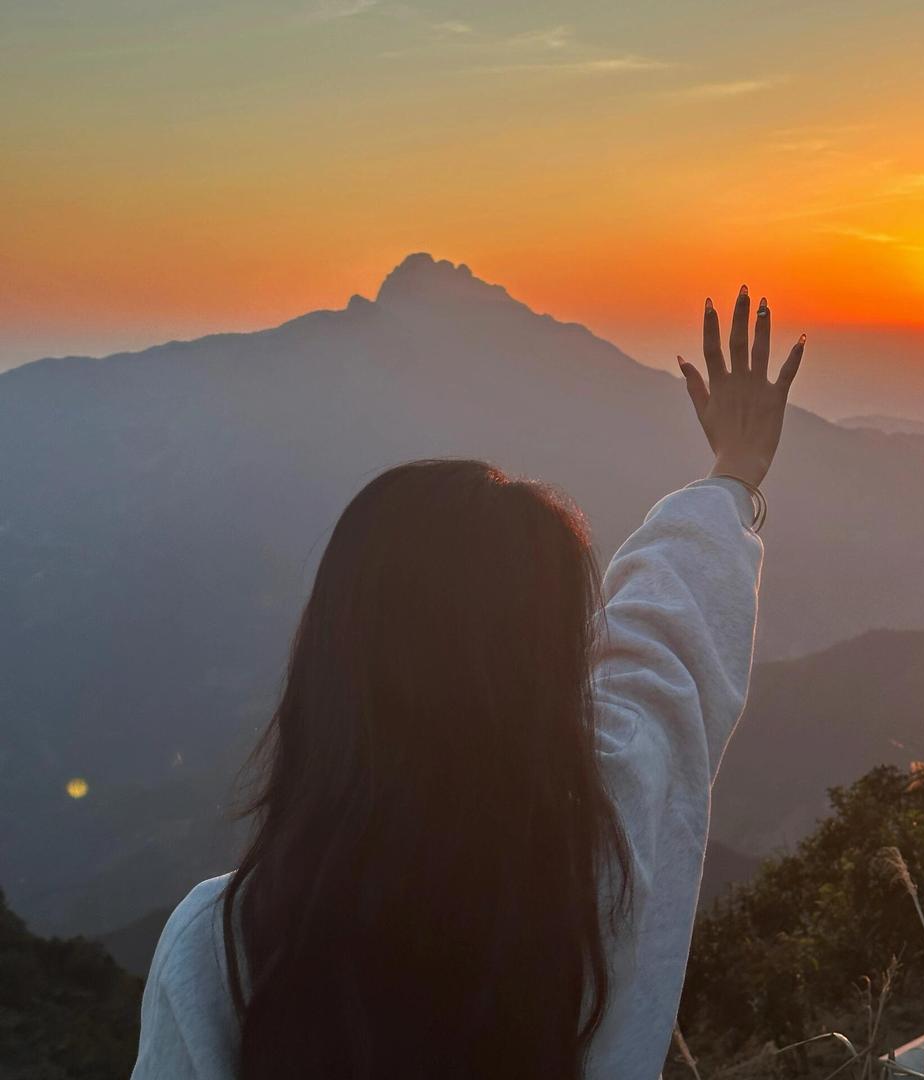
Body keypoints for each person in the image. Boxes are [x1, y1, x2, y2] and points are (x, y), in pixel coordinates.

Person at [130, 287, 805, 1080]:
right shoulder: (605, 857)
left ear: (334, 657)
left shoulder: (225, 950)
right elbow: (668, 647)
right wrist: (733, 476)